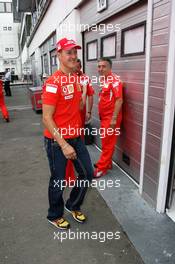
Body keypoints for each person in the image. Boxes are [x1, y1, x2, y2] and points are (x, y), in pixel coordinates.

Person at [42, 38, 93, 230]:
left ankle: (73, 204)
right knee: (59, 180)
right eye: (68, 52)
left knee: (87, 173)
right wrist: (64, 145)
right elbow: (47, 118)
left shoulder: (75, 78)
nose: (73, 56)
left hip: (76, 137)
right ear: (59, 55)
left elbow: (74, 107)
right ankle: (54, 214)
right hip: (57, 141)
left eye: (74, 52)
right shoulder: (53, 83)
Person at [65, 59, 95, 183]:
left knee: (79, 143)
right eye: (73, 67)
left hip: (80, 116)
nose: (75, 70)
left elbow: (91, 95)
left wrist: (89, 112)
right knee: (68, 143)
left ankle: (81, 170)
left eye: (77, 67)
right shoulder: (66, 78)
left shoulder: (85, 79)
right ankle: (68, 176)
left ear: (80, 67)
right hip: (69, 117)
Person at [94, 57, 123, 178]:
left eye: (103, 66)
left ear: (110, 67)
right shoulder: (104, 80)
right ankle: (108, 163)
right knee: (106, 141)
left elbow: (119, 100)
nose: (100, 69)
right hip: (104, 117)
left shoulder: (115, 80)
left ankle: (102, 168)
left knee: (108, 143)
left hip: (111, 118)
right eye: (99, 66)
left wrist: (114, 118)